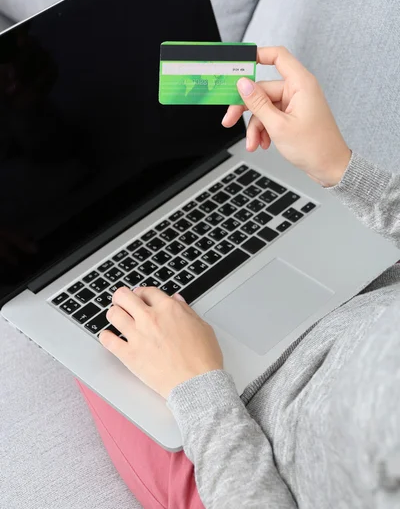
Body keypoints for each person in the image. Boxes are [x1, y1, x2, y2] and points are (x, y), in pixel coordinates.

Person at [78, 47, 400, 508]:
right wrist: (339, 167)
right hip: (360, 285)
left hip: (240, 432)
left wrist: (197, 385)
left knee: (85, 313)